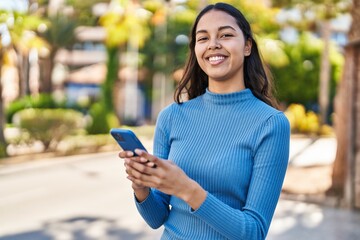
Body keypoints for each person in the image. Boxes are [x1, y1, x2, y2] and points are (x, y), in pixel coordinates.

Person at [119, 2, 290, 239]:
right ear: (196, 49)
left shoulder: (270, 123)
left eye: (226, 35)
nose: (213, 45)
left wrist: (187, 189)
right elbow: (156, 218)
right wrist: (141, 186)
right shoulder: (171, 117)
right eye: (203, 38)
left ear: (247, 46)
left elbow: (254, 232)